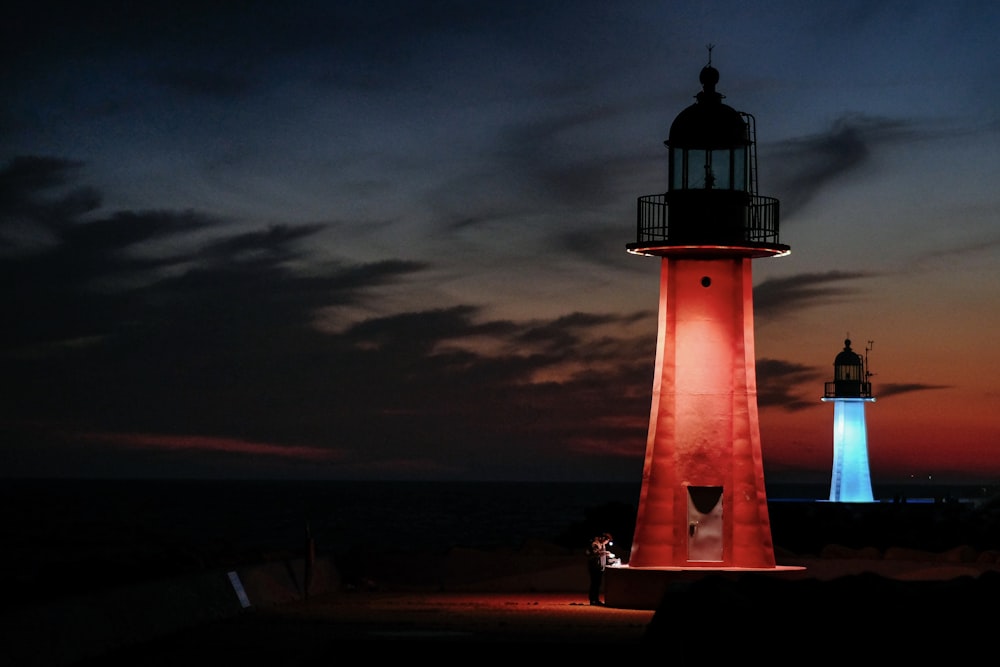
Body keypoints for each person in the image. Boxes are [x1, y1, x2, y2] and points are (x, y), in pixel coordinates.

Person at [586, 533, 612, 606]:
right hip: (594, 567)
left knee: (597, 584)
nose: (607, 542)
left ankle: (596, 600)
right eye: (607, 540)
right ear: (603, 538)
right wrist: (605, 552)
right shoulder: (595, 544)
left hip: (600, 567)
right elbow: (595, 553)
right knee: (594, 584)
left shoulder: (603, 545)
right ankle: (592, 600)